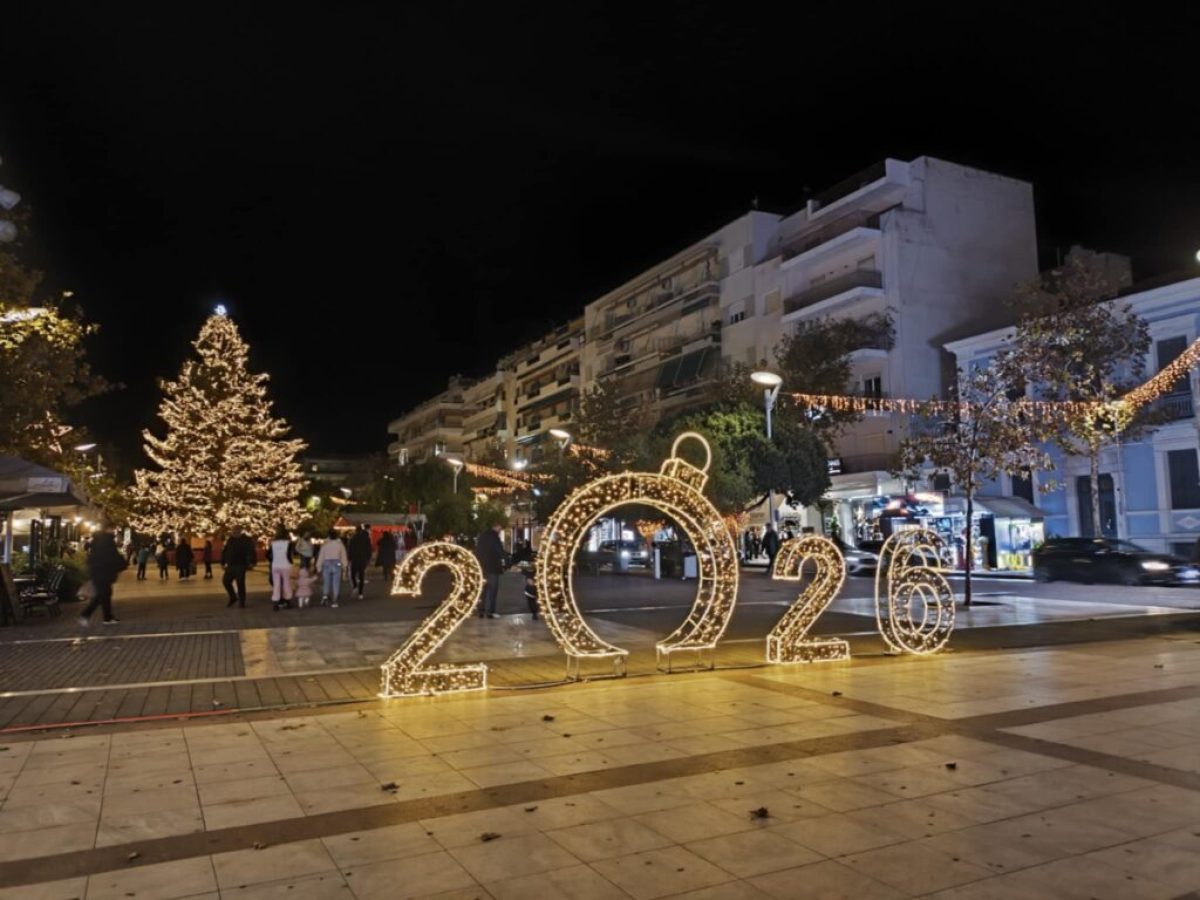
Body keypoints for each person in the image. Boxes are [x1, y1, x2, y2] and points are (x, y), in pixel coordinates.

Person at [78, 526, 124, 627]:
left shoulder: (97, 542)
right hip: (104, 572)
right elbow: (112, 556)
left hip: (98, 572)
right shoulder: (107, 542)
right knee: (102, 595)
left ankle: (107, 617)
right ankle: (86, 614)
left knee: (105, 594)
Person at [474, 522, 507, 619]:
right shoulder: (494, 537)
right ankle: (490, 612)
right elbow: (499, 551)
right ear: (496, 527)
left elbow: (477, 551)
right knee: (493, 591)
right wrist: (509, 562)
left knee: (483, 591)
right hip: (492, 568)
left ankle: (481, 611)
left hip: (482, 568)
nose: (500, 531)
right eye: (500, 529)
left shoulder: (482, 537)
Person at [221, 525, 257, 608]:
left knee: (240, 583)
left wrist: (252, 562)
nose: (234, 532)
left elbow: (252, 551)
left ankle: (242, 601)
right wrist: (223, 562)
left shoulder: (246, 540)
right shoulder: (230, 540)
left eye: (235, 530)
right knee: (226, 581)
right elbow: (225, 551)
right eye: (233, 530)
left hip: (241, 564)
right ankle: (233, 597)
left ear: (240, 531)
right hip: (231, 565)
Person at [317, 528, 348, 607]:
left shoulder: (325, 545)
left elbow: (321, 556)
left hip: (326, 563)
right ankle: (335, 600)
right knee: (336, 583)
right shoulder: (340, 545)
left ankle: (325, 596)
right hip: (336, 563)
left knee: (326, 582)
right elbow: (343, 556)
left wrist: (318, 567)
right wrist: (345, 566)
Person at [267, 526, 294, 611]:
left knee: (276, 584)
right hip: (285, 565)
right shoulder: (288, 543)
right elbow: (289, 555)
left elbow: (267, 555)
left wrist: (273, 560)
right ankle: (287, 600)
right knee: (286, 583)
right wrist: (290, 562)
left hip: (275, 565)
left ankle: (276, 602)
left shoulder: (273, 543)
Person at [348, 524, 372, 600]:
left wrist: (350, 558)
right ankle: (360, 594)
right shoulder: (366, 538)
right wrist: (368, 558)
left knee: (353, 574)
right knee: (361, 576)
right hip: (363, 559)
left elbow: (350, 549)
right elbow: (369, 549)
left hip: (355, 558)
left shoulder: (353, 538)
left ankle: (355, 586)